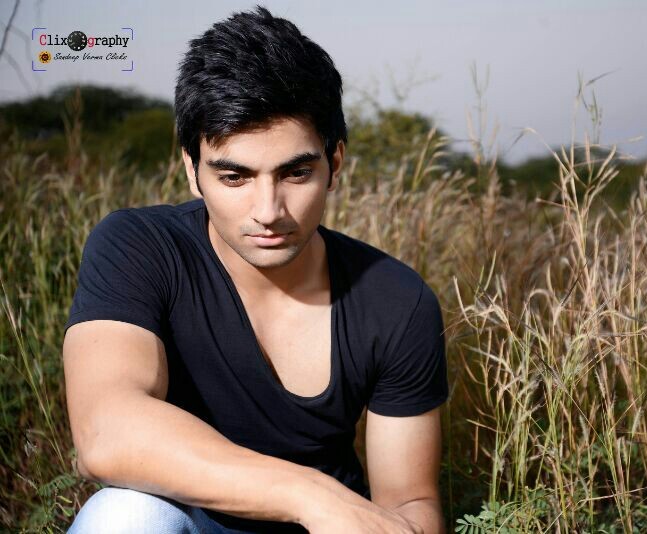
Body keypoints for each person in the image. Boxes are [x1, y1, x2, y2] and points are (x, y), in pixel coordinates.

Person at [62, 6, 449, 533]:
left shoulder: (396, 300)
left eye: (296, 173)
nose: (268, 211)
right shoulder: (140, 247)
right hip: (193, 520)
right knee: (124, 514)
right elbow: (106, 432)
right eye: (234, 177)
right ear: (192, 171)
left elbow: (409, 501)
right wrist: (309, 494)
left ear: (335, 164)